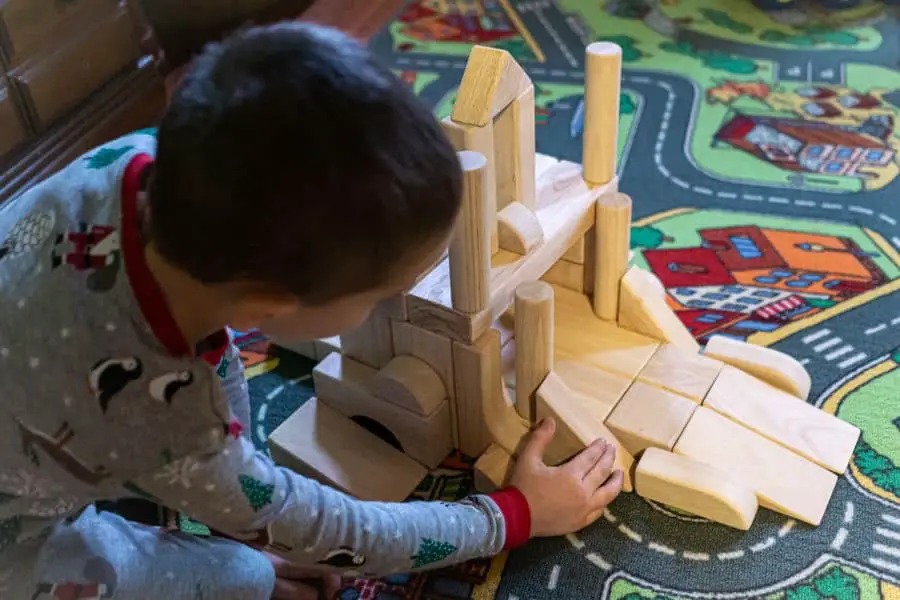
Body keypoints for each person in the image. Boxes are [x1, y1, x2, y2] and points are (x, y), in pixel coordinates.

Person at [0, 22, 624, 600]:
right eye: (380, 296)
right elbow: (329, 529)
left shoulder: (140, 163)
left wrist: (239, 503)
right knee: (244, 575)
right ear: (271, 305)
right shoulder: (173, 420)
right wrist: (514, 514)